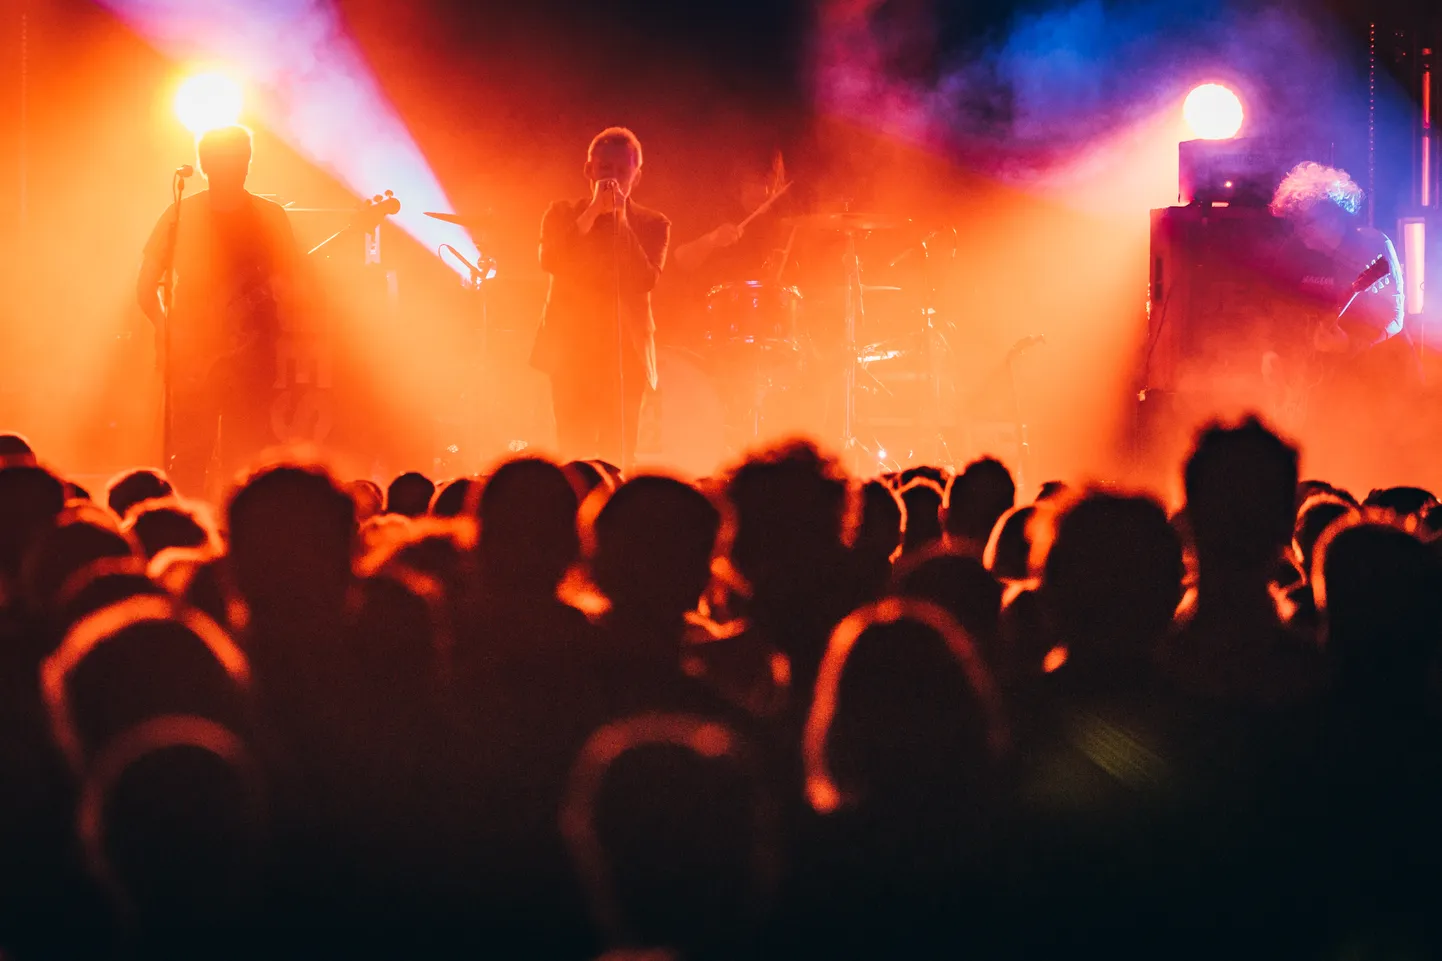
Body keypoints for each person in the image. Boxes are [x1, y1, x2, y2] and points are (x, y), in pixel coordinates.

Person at [136, 125, 301, 496]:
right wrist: (166, 329)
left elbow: (293, 285)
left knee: (249, 457)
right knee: (191, 454)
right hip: (193, 354)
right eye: (226, 160)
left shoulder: (270, 216)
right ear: (205, 165)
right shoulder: (181, 214)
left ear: (248, 162)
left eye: (240, 159)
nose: (235, 167)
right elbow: (146, 288)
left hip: (253, 354)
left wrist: (269, 305)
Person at [533, 127, 670, 469]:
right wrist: (593, 212)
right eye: (605, 170)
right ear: (589, 171)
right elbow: (550, 259)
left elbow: (645, 279)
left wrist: (620, 219)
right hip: (569, 348)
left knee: (619, 451)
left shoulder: (653, 223)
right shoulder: (562, 213)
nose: (613, 179)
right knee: (572, 450)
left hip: (626, 350)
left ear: (637, 176)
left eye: (622, 172)